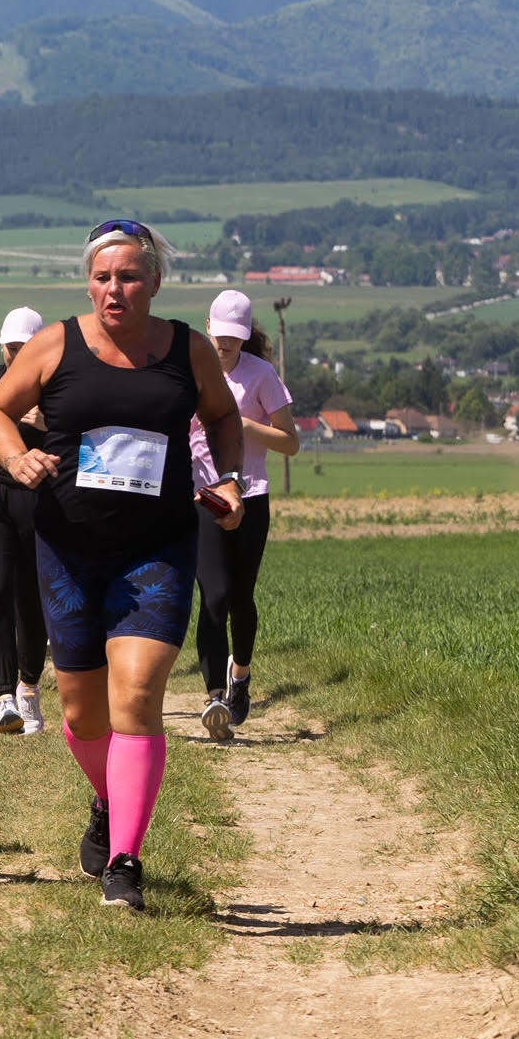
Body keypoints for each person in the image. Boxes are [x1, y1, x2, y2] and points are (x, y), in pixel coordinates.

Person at [0, 220, 246, 914]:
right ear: (87, 282)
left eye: (129, 276)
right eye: (103, 277)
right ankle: (108, 795)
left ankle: (125, 860)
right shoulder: (56, 345)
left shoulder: (187, 350)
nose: (115, 289)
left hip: (156, 549)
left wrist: (230, 477)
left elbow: (221, 417)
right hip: (67, 548)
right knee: (82, 711)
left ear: (154, 282)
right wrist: (16, 457)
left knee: (136, 697)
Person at [192, 290, 298, 740]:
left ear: (246, 334)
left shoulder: (262, 376)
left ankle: (241, 677)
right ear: (209, 327)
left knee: (240, 598)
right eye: (221, 337)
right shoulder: (194, 369)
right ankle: (215, 695)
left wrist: (242, 424)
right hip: (204, 496)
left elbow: (290, 442)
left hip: (252, 495)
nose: (227, 346)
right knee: (213, 596)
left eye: (235, 339)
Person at [0, 306, 52, 734]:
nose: (18, 355)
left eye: (26, 347)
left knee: (32, 598)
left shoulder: (56, 387)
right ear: (2, 345)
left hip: (39, 500)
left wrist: (48, 422)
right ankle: (4, 697)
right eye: (12, 347)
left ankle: (29, 688)